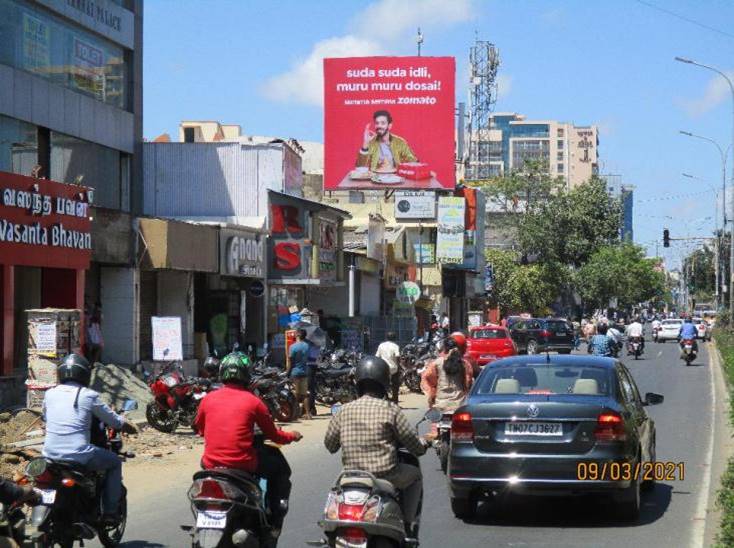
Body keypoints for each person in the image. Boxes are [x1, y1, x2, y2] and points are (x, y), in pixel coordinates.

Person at [194, 352, 302, 535]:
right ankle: (274, 520)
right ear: (247, 374)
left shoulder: (208, 399)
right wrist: (292, 435)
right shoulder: (254, 402)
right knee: (281, 470)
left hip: (210, 465)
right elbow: (275, 436)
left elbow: (199, 429)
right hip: (242, 465)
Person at [324, 356, 427, 539]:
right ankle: (409, 525)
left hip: (350, 478)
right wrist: (424, 443)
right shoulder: (391, 409)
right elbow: (414, 446)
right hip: (386, 476)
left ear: (359, 383)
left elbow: (330, 445)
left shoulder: (344, 410)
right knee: (415, 475)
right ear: (384, 384)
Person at [42, 353, 137, 524]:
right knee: (115, 462)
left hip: (49, 455)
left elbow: (46, 418)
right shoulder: (88, 395)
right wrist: (127, 425)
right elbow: (114, 421)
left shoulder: (49, 394)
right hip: (79, 455)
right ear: (85, 374)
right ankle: (110, 512)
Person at [420, 336, 474, 411]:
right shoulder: (464, 364)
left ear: (444, 349)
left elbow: (426, 378)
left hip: (440, 405)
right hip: (460, 405)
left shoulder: (437, 363)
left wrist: (433, 392)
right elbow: (468, 382)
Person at [287, 329, 312, 420]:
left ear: (298, 335)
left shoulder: (293, 347)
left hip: (295, 372)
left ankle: (296, 413)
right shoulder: (307, 346)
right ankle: (308, 413)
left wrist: (287, 373)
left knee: (296, 394)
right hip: (304, 372)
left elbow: (290, 361)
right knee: (304, 394)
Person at [376, 331, 401, 404]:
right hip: (393, 369)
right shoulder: (395, 346)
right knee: (395, 385)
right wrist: (399, 366)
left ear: (386, 338)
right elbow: (397, 357)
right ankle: (395, 401)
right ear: (394, 338)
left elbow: (377, 356)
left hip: (383, 368)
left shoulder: (381, 345)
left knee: (382, 384)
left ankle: (383, 399)